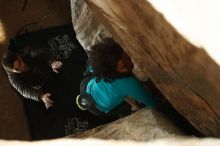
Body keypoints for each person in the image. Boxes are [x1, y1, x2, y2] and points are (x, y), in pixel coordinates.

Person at [76, 38, 158, 117]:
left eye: (127, 58)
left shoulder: (102, 66)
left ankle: (132, 103)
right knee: (124, 107)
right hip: (99, 109)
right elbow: (154, 104)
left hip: (85, 86)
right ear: (112, 72)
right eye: (124, 66)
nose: (130, 63)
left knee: (94, 61)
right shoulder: (128, 82)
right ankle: (133, 107)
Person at [2, 44, 63, 109]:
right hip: (40, 86)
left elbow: (44, 52)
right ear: (12, 71)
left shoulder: (26, 51)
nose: (21, 68)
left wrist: (52, 62)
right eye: (17, 69)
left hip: (48, 69)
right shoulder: (13, 78)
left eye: (20, 63)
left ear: (19, 57)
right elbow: (24, 90)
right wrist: (41, 96)